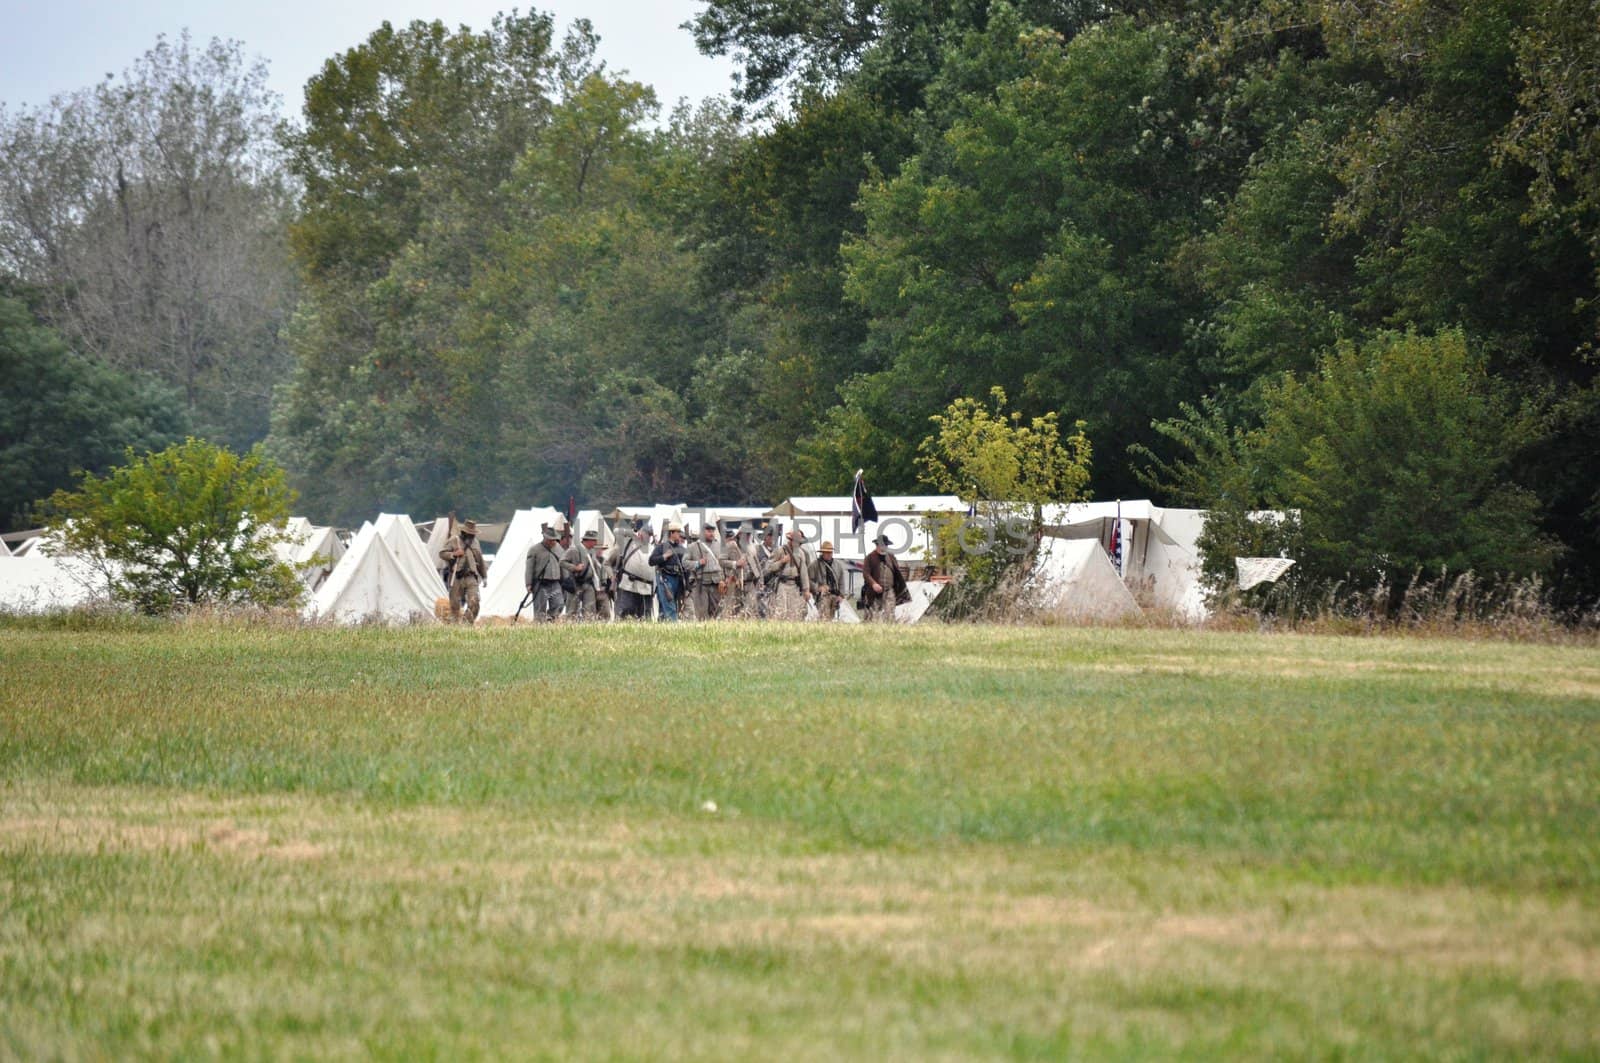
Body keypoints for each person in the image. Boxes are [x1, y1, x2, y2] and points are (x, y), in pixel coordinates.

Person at [439, 519, 487, 623]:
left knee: (475, 602)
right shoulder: (454, 540)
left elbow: (480, 560)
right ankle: (455, 627)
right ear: (464, 532)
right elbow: (442, 553)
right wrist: (454, 554)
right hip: (456, 577)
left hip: (471, 577)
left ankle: (466, 625)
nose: (471, 536)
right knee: (455, 606)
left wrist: (484, 576)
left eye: (473, 534)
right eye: (469, 533)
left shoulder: (476, 543)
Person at [607, 522, 655, 619]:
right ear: (641, 532)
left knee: (644, 616)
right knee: (625, 613)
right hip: (629, 585)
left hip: (646, 587)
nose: (648, 537)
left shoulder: (652, 548)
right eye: (647, 534)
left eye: (650, 535)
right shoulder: (628, 542)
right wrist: (633, 533)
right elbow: (616, 531)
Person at [764, 528, 813, 620]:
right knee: (780, 611)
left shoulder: (801, 553)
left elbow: (804, 573)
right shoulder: (779, 550)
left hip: (795, 586)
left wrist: (806, 590)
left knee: (793, 613)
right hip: (782, 584)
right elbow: (768, 567)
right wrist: (782, 561)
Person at [523, 523, 566, 622]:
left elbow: (563, 565)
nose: (553, 542)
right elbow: (529, 568)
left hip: (555, 583)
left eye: (554, 539)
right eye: (551, 539)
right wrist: (529, 584)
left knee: (559, 604)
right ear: (545, 538)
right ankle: (539, 626)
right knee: (540, 609)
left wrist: (565, 580)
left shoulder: (559, 549)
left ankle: (551, 621)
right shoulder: (534, 550)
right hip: (540, 583)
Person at [682, 523, 724, 620]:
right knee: (701, 613)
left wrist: (724, 579)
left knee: (716, 612)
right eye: (709, 531)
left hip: (716, 583)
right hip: (700, 583)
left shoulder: (719, 545)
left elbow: (723, 564)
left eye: (713, 531)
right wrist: (698, 563)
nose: (711, 533)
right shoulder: (693, 546)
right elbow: (684, 562)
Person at [861, 532, 906, 621]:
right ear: (877, 545)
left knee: (890, 615)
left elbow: (897, 572)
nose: (883, 547)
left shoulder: (891, 557)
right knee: (874, 617)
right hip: (873, 593)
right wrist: (873, 584)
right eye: (881, 545)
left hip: (889, 590)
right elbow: (866, 574)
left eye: (885, 545)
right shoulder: (870, 557)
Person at [650, 521, 689, 621]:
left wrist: (687, 586)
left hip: (677, 579)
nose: (680, 534)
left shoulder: (682, 549)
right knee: (670, 606)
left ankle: (662, 629)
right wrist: (664, 556)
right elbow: (651, 561)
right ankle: (674, 627)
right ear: (672, 533)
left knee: (666, 608)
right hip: (666, 579)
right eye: (677, 532)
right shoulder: (661, 547)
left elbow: (686, 567)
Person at [564, 528, 604, 619]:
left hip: (588, 583)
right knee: (572, 610)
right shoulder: (574, 550)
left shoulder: (592, 551)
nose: (597, 543)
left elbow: (595, 567)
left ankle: (588, 628)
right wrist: (575, 568)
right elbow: (562, 562)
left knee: (590, 610)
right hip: (576, 583)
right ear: (589, 540)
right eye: (595, 540)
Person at [720, 524, 754, 618]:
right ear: (740, 535)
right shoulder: (730, 545)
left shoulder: (750, 548)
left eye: (749, 534)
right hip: (734, 582)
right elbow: (721, 561)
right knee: (731, 609)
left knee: (748, 611)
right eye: (746, 534)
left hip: (748, 583)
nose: (748, 537)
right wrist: (735, 563)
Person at [810, 540, 848, 620]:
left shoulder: (838, 565)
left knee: (831, 616)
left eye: (830, 552)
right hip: (822, 596)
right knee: (824, 617)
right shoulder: (815, 565)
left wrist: (841, 595)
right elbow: (808, 581)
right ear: (822, 552)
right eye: (826, 552)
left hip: (835, 595)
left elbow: (841, 582)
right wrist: (818, 588)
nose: (828, 554)